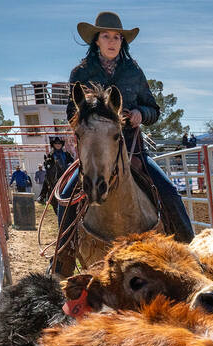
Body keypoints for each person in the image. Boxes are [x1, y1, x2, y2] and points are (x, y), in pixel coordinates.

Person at [57, 11, 193, 250]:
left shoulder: (133, 71)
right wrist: (93, 119)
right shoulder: (80, 73)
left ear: (122, 41)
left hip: (133, 150)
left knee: (170, 193)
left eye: (117, 37)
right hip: (94, 151)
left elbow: (153, 109)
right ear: (96, 40)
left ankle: (191, 252)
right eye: (106, 36)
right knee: (65, 200)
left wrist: (141, 113)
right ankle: (61, 258)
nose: (112, 42)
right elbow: (72, 112)